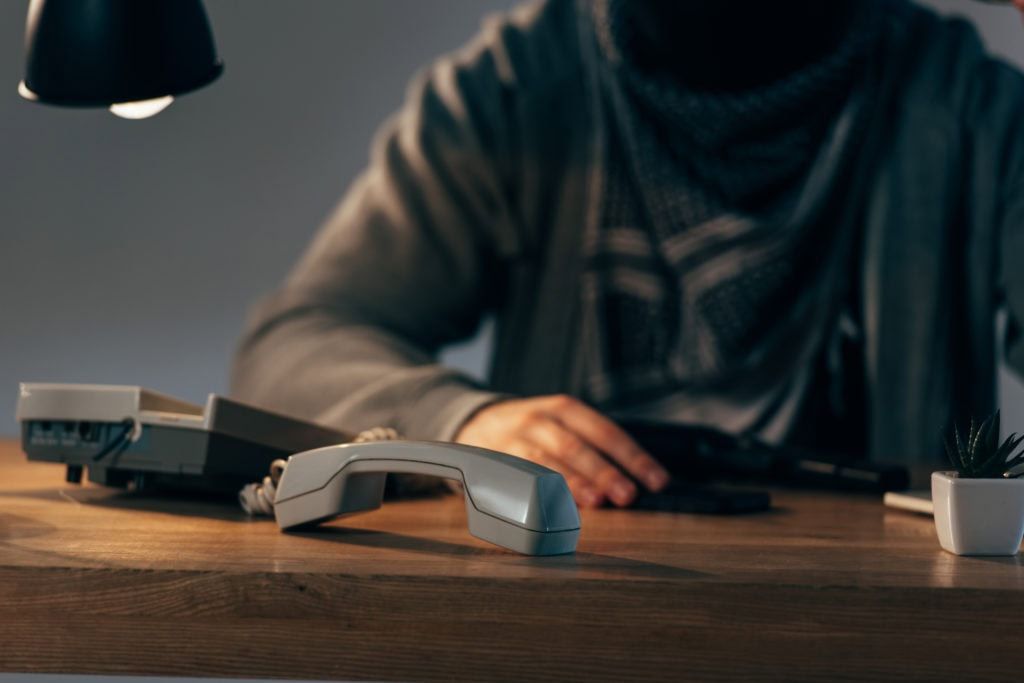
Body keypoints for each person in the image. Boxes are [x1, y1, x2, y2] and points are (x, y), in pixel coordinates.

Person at [231, 0, 1024, 509]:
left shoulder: (966, 106)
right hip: (587, 620)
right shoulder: (521, 87)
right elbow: (290, 348)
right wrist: (462, 421)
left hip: (880, 634)